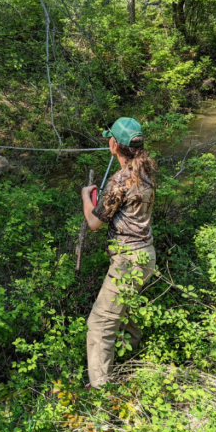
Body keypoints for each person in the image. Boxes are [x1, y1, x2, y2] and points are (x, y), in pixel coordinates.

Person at [80, 117, 158, 389]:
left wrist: (85, 197)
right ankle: (130, 368)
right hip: (147, 256)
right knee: (127, 317)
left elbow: (94, 223)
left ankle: (101, 392)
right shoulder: (146, 170)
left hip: (128, 261)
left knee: (100, 325)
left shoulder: (121, 180)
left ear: (114, 145)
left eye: (109, 140)